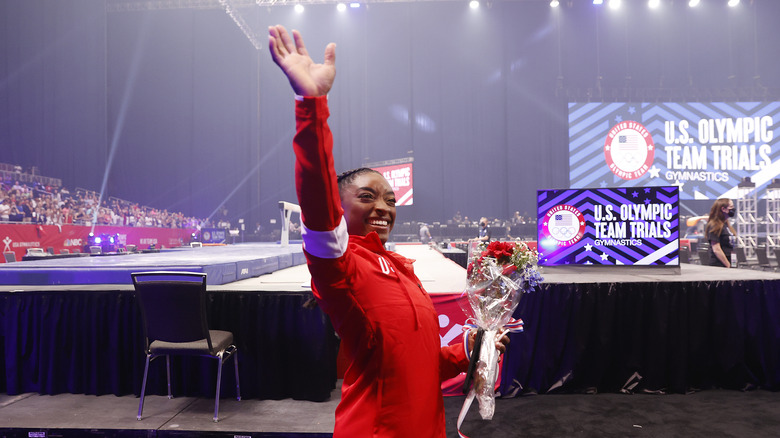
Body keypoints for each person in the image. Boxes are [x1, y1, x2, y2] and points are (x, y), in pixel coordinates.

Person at [268, 25, 507, 438]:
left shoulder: (404, 271)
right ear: (340, 207)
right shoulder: (340, 268)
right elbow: (316, 200)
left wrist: (468, 351)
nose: (382, 207)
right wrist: (312, 105)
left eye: (390, 201)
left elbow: (420, 362)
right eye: (367, 197)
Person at [705, 198, 736, 268]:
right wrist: (727, 265)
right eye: (731, 207)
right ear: (723, 209)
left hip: (730, 260)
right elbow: (716, 249)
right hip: (719, 265)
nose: (733, 209)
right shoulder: (714, 225)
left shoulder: (726, 225)